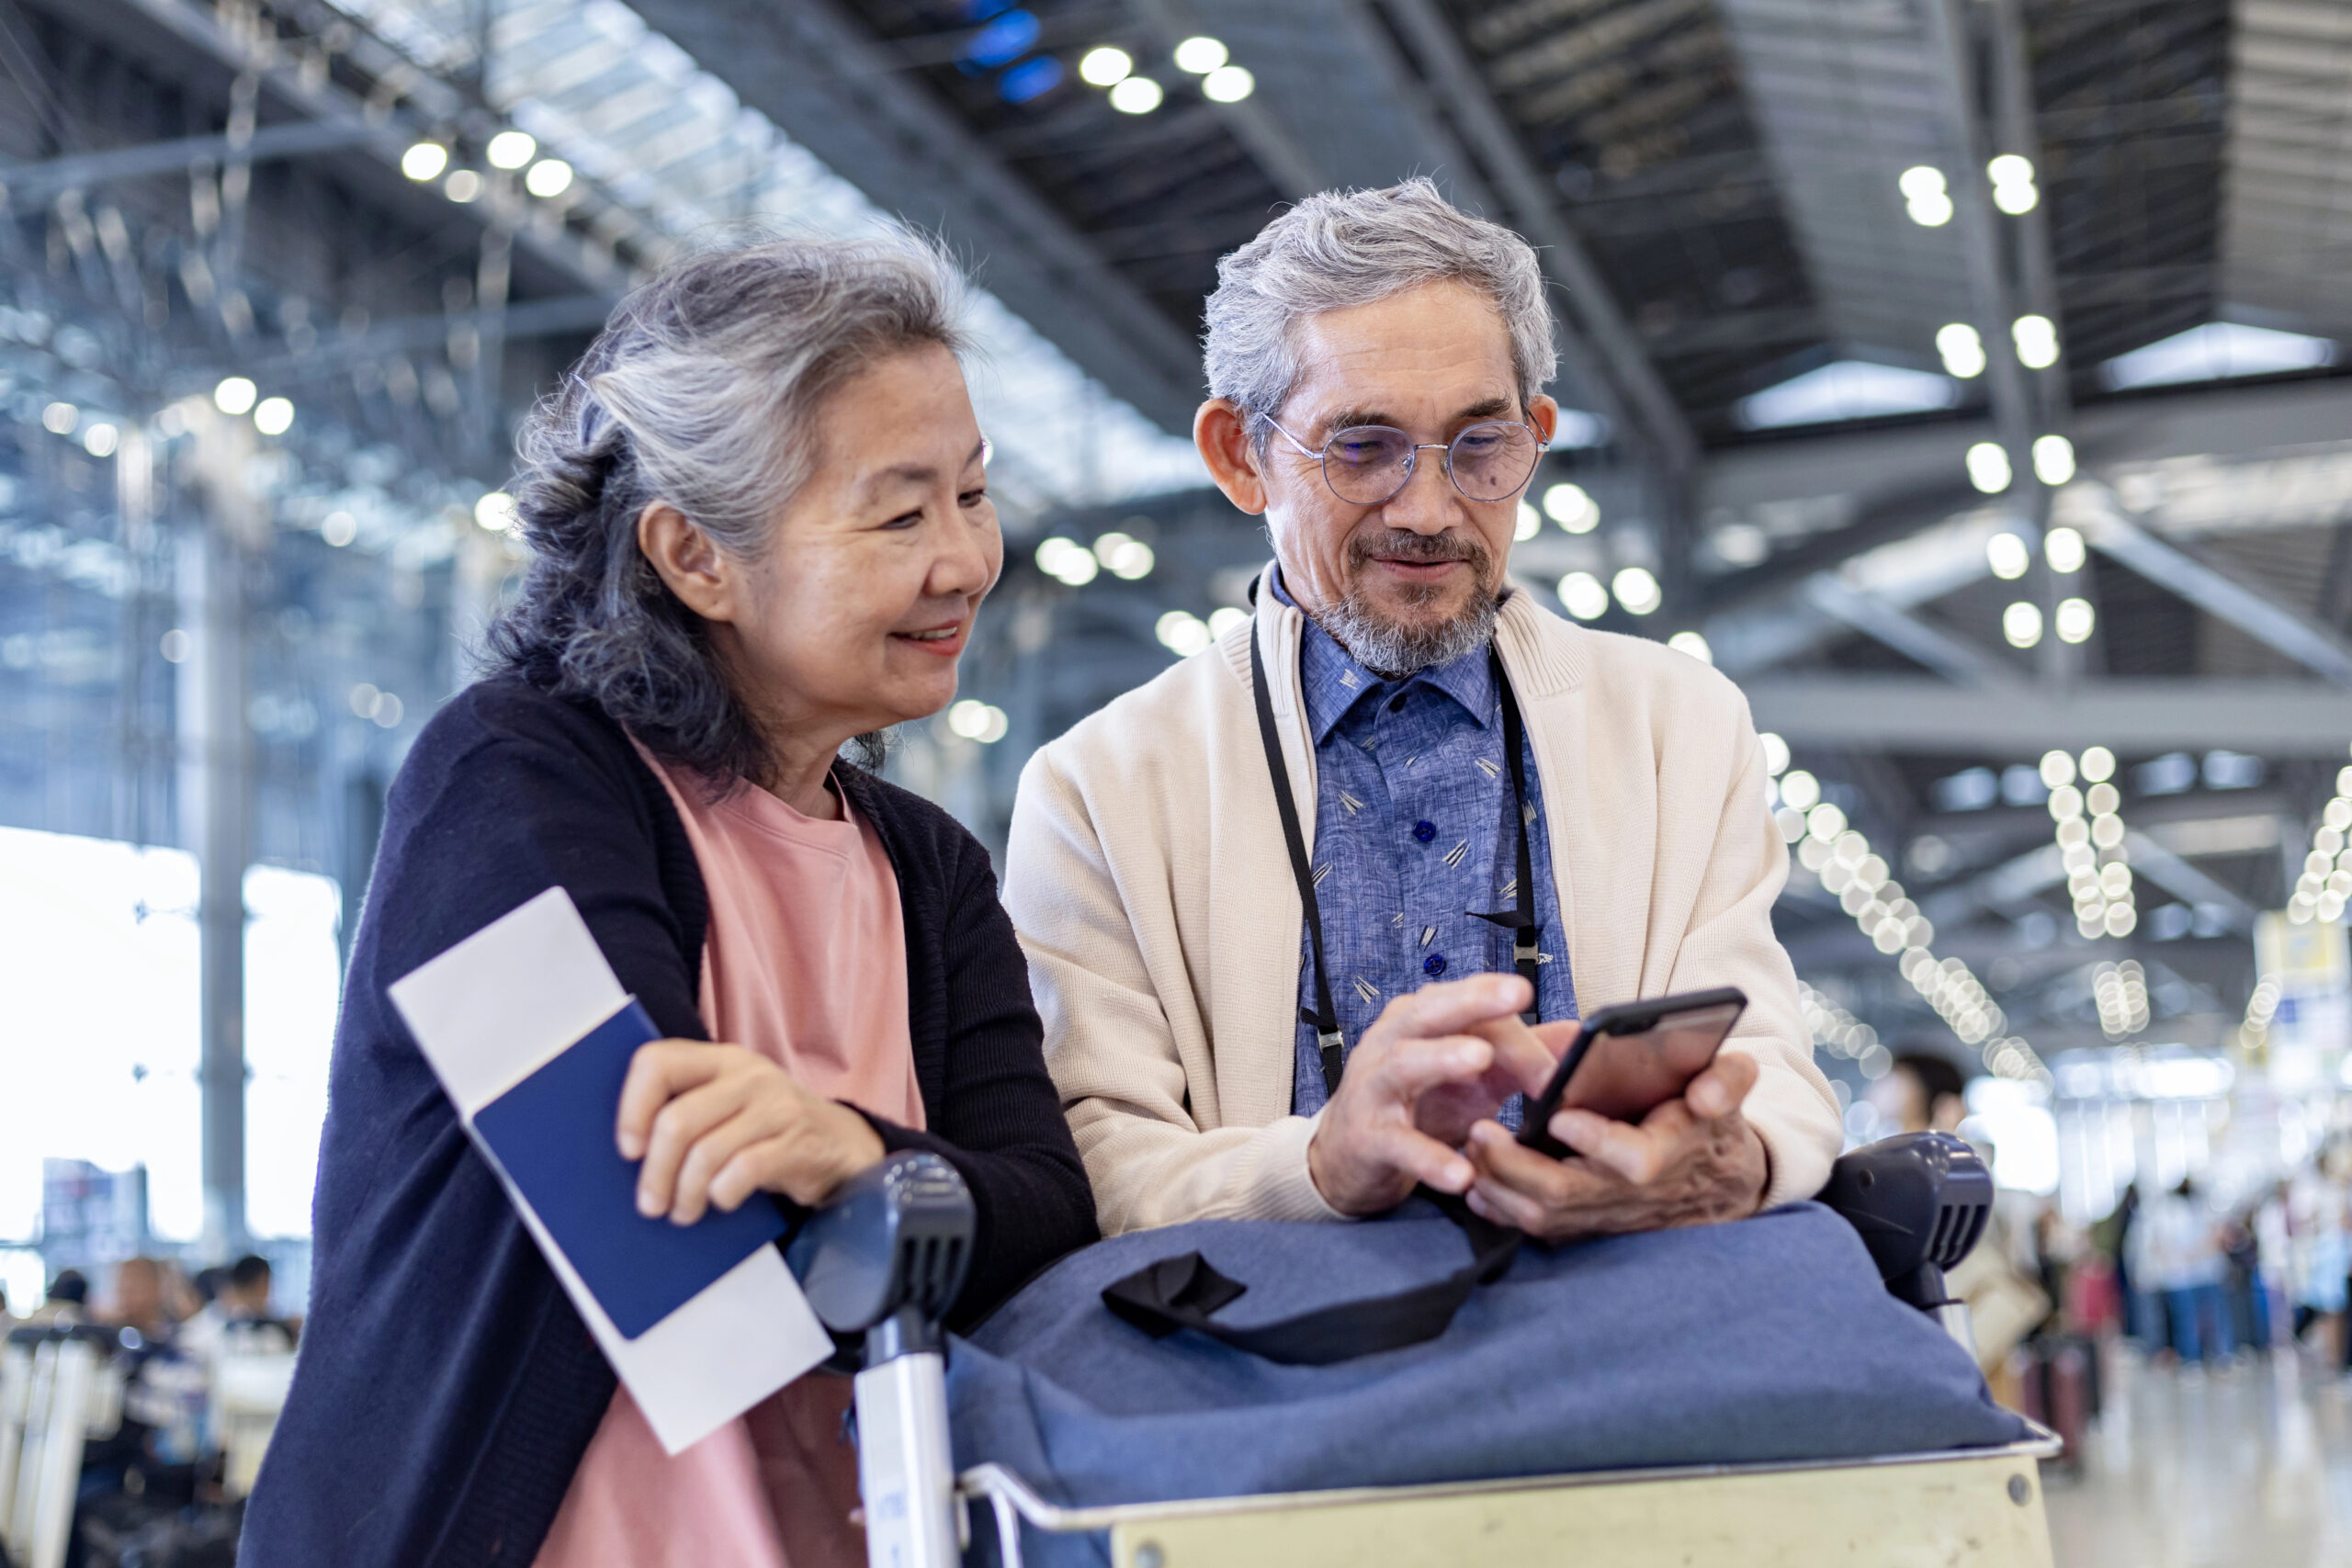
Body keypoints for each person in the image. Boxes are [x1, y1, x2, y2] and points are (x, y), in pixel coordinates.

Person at [242, 233, 1098, 1568]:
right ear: (695, 554)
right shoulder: (509, 777)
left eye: (973, 493)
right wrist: (921, 1196)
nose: (965, 561)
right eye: (899, 511)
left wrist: (845, 1156)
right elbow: (673, 1261)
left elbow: (1049, 1224)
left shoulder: (931, 869)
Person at [1003, 179, 1840, 1239]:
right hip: (1283, 1369)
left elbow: (1768, 1061)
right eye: (1362, 448)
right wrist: (1318, 1164)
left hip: (1622, 1334)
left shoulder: (1679, 726)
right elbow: (1097, 1159)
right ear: (1238, 456)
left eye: (1479, 446)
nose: (1430, 509)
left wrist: (1727, 1151)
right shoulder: (1100, 787)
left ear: (1535, 433)